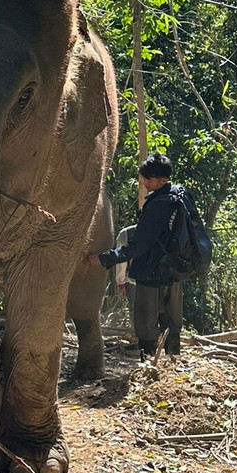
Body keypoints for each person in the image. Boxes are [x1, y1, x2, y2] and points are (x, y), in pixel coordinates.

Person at [85, 152, 187, 359]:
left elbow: (138, 246)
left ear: (163, 180)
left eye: (149, 179)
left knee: (145, 322)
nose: (144, 182)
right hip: (174, 270)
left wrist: (104, 259)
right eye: (144, 177)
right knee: (172, 320)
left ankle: (148, 366)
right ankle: (173, 363)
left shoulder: (157, 205)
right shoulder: (181, 197)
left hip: (150, 272)